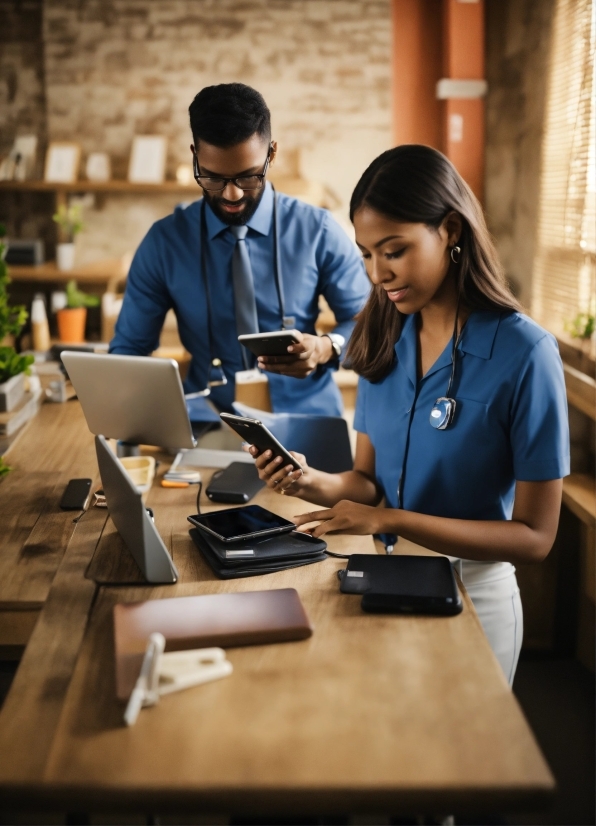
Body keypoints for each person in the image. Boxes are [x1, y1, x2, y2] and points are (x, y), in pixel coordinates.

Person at [250, 145, 570, 684]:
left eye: (394, 251)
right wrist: (310, 481)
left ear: (450, 230)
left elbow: (535, 537)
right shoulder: (385, 337)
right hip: (383, 579)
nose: (378, 273)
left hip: (474, 596)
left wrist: (389, 520)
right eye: (366, 254)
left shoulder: (526, 353)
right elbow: (370, 485)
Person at [110, 83, 370, 415]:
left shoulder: (318, 231)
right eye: (213, 178)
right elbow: (129, 350)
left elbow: (366, 323)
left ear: (271, 154)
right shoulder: (165, 243)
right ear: (195, 157)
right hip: (207, 419)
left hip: (308, 419)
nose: (232, 195)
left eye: (248, 177)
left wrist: (326, 347)